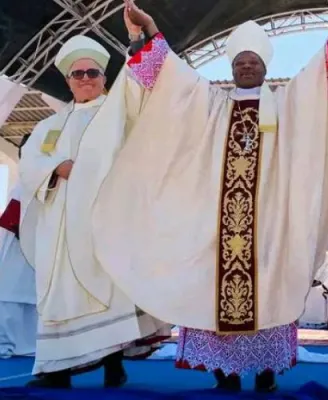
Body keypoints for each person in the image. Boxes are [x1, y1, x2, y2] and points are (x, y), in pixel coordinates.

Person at [80, 0, 328, 392]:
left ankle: (265, 374)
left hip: (265, 228)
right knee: (211, 292)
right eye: (239, 63)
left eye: (252, 62)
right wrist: (153, 31)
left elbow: (319, 83)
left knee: (268, 290)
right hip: (218, 232)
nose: (245, 67)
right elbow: (174, 84)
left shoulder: (283, 104)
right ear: (231, 69)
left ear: (265, 66)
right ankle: (224, 375)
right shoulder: (211, 106)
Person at [18, 35, 170, 389]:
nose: (85, 79)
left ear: (104, 78)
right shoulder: (50, 125)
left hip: (105, 224)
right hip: (60, 233)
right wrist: (56, 166)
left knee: (109, 290)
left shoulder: (118, 113)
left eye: (92, 73)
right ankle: (56, 371)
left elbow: (146, 116)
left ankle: (113, 364)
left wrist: (137, 43)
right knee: (60, 297)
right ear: (68, 81)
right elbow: (29, 163)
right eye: (77, 74)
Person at [0, 135, 37, 359]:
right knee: (12, 294)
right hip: (18, 246)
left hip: (32, 247)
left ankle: (21, 343)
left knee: (24, 295)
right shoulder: (25, 181)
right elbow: (11, 220)